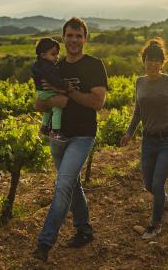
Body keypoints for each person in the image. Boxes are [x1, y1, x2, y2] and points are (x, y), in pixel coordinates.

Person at [32, 17, 108, 262]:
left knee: (63, 184)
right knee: (72, 183)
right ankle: (84, 230)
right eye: (69, 36)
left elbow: (98, 103)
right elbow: (37, 103)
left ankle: (45, 243)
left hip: (83, 136)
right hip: (58, 137)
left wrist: (70, 92)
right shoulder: (54, 66)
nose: (74, 40)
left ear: (85, 38)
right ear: (63, 38)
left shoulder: (94, 66)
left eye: (79, 35)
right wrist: (54, 101)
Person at [121, 38, 168, 240]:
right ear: (144, 60)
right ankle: (163, 200)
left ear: (162, 62)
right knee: (149, 185)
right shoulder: (139, 82)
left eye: (157, 60)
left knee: (157, 183)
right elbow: (138, 112)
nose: (153, 63)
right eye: (149, 59)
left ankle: (155, 225)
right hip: (147, 141)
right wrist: (129, 132)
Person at [31, 37, 70, 142]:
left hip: (42, 92)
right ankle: (56, 131)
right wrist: (64, 85)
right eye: (53, 54)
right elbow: (55, 80)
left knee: (48, 109)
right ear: (43, 55)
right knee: (57, 108)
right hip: (47, 92)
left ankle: (44, 127)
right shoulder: (48, 68)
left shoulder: (39, 65)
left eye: (57, 54)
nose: (56, 57)